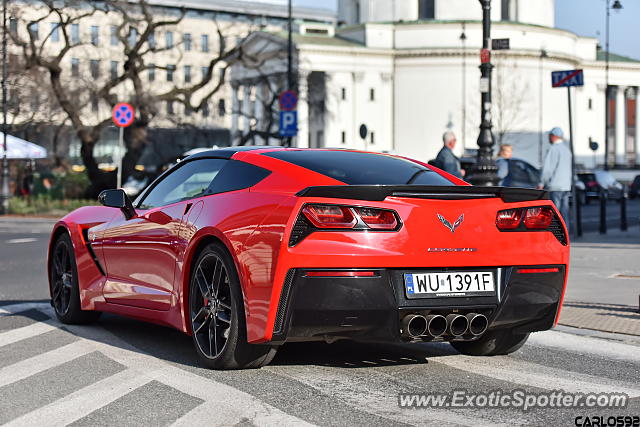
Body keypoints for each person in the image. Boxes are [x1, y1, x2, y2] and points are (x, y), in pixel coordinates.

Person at [538, 127, 572, 227]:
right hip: (566, 186)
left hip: (555, 186)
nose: (548, 137)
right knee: (564, 213)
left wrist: (541, 183)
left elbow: (548, 169)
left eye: (549, 135)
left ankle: (555, 236)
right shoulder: (566, 150)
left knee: (554, 213)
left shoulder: (553, 149)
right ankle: (566, 235)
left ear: (554, 136)